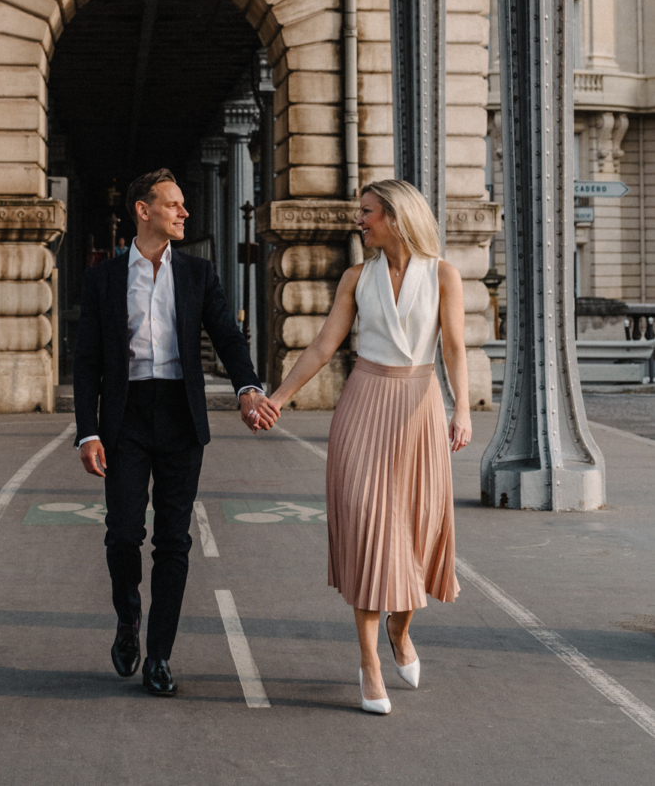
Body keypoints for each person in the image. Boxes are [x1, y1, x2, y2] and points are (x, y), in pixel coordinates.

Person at [261, 179, 470, 715]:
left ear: (396, 217)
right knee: (370, 531)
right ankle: (369, 662)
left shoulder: (443, 275)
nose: (360, 219)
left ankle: (401, 632)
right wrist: (280, 397)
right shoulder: (357, 278)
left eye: (368, 211)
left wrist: (462, 409)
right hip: (363, 407)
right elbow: (324, 344)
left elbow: (453, 347)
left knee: (418, 536)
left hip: (419, 410)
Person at [74, 167, 278, 696]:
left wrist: (248, 388)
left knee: (173, 541)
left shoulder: (198, 274)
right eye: (173, 204)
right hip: (127, 417)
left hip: (182, 417)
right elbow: (88, 361)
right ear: (143, 210)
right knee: (122, 533)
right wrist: (87, 432)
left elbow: (228, 338)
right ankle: (128, 619)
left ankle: (159, 655)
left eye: (185, 205)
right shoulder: (103, 279)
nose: (184, 213)